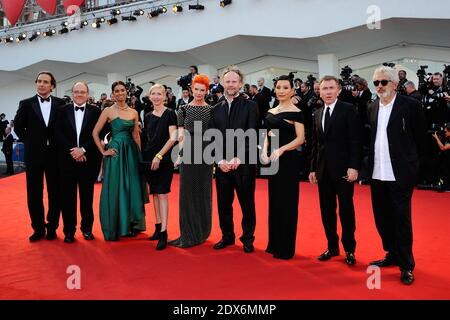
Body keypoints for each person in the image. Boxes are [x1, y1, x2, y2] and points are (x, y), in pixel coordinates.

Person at [368, 66, 427, 285]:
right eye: (376, 83)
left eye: (384, 82)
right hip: (377, 173)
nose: (380, 86)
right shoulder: (371, 107)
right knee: (381, 218)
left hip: (401, 174)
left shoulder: (411, 106)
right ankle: (391, 254)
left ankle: (406, 265)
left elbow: (421, 139)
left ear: (395, 84)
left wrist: (414, 168)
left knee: (401, 220)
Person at [309, 75, 362, 265]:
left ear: (338, 90)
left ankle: (349, 249)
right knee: (327, 211)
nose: (328, 92)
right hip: (323, 171)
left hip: (344, 171)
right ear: (320, 92)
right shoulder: (317, 113)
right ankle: (332, 247)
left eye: (332, 88)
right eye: (325, 89)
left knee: (346, 211)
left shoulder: (348, 110)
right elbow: (315, 144)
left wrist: (354, 166)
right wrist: (313, 168)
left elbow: (356, 140)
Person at [209, 66, 258, 253]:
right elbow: (212, 137)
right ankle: (227, 236)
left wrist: (239, 157)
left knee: (247, 203)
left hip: (243, 165)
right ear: (223, 83)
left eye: (234, 81)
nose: (231, 85)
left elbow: (252, 134)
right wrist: (220, 160)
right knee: (224, 204)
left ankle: (247, 238)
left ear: (240, 83)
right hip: (222, 166)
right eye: (227, 81)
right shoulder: (215, 108)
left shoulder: (250, 106)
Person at [92, 81, 148, 241]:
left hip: (131, 152)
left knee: (132, 187)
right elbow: (95, 132)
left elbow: (136, 135)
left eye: (122, 90)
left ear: (126, 92)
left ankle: (131, 224)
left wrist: (140, 157)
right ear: (112, 94)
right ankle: (116, 226)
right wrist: (103, 151)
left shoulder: (134, 112)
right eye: (116, 91)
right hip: (116, 153)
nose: (120, 93)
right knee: (116, 187)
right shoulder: (108, 111)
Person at [14, 71, 66, 242]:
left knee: (55, 193)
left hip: (55, 155)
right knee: (34, 193)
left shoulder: (61, 104)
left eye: (46, 82)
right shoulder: (26, 104)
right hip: (34, 155)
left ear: (52, 86)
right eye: (39, 81)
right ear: (36, 83)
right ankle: (38, 228)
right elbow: (18, 128)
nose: (42, 84)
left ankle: (52, 227)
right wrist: (30, 142)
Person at [261, 75, 305, 259]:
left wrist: (282, 150)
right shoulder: (271, 110)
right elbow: (266, 133)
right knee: (275, 202)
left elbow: (300, 138)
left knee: (287, 203)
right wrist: (264, 151)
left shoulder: (297, 112)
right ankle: (274, 243)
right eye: (278, 87)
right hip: (273, 162)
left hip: (288, 162)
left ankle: (285, 248)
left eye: (285, 87)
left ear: (292, 91)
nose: (281, 90)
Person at [169, 75, 215, 248]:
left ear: (206, 91)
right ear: (191, 89)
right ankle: (188, 233)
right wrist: (180, 154)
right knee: (187, 194)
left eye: (202, 90)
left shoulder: (211, 110)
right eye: (196, 89)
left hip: (206, 153)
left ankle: (202, 231)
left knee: (203, 192)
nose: (198, 93)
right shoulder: (183, 109)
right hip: (188, 152)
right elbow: (181, 134)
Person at [55, 82, 103, 243]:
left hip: (88, 160)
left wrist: (83, 150)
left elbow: (98, 133)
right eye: (77, 92)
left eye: (83, 92)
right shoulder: (62, 111)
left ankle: (87, 229)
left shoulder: (96, 111)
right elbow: (58, 133)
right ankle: (69, 231)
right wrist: (73, 150)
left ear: (88, 93)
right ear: (73, 93)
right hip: (67, 160)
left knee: (87, 197)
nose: (80, 94)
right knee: (67, 198)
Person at [142, 84, 177, 250]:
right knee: (154, 193)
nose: (156, 96)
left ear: (165, 96)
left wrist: (159, 156)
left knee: (162, 194)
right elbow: (147, 138)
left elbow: (172, 138)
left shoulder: (170, 114)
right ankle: (157, 226)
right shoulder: (147, 116)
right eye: (153, 94)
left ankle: (164, 232)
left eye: (159, 94)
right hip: (149, 159)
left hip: (163, 160)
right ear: (149, 97)